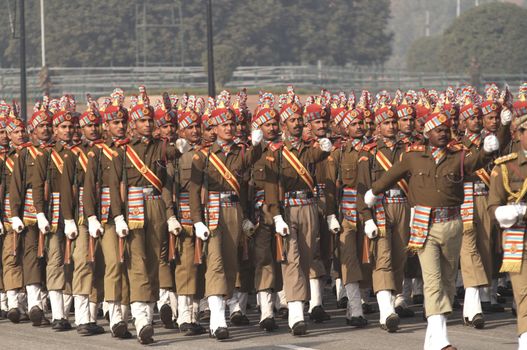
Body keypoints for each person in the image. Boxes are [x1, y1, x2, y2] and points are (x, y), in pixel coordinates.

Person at [364, 110, 499, 350]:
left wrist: (488, 150)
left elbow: (474, 162)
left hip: (453, 224)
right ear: (427, 133)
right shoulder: (414, 157)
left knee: (448, 281)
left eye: (446, 130)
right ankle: (441, 340)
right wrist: (374, 192)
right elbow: (392, 174)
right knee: (433, 279)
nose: (444, 134)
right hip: (424, 225)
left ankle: (432, 339)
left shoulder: (457, 156)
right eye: (439, 130)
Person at [189, 91, 263, 340]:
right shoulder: (203, 155)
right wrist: (197, 220)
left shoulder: (241, 152)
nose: (230, 128)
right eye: (225, 124)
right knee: (216, 263)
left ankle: (221, 310)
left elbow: (253, 158)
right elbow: (194, 189)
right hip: (212, 212)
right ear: (215, 128)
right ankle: (217, 320)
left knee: (231, 265)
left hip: (234, 211)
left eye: (232, 124)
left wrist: (258, 143)